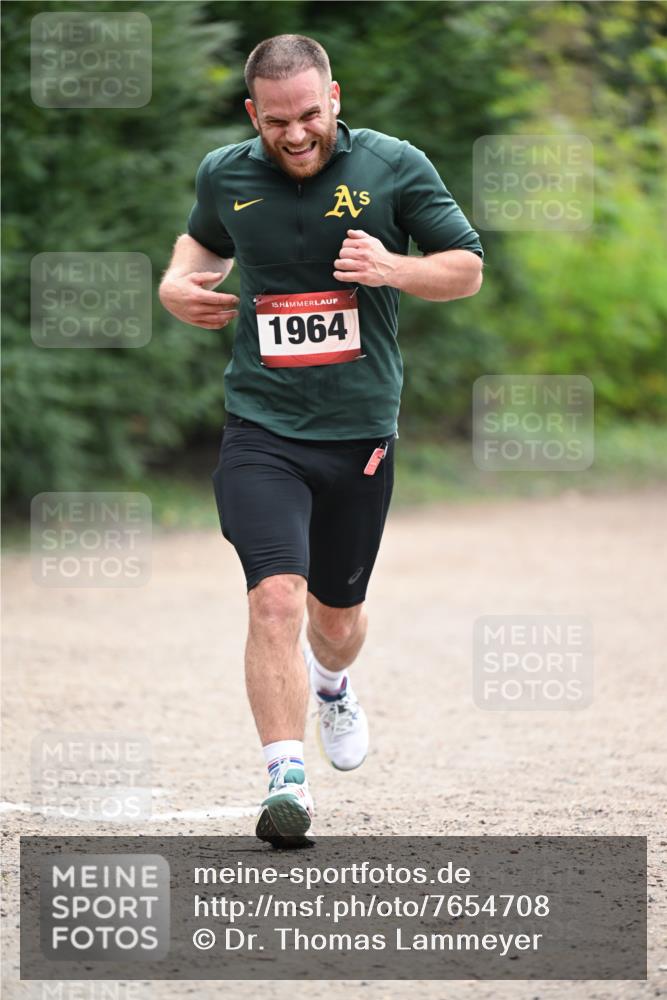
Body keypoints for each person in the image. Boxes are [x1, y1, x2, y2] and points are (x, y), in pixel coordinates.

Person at [159, 34, 483, 847]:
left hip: (358, 431)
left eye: (309, 115)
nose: (295, 134)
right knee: (274, 596)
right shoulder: (224, 173)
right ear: (251, 115)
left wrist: (393, 268)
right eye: (277, 122)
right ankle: (285, 782)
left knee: (335, 618)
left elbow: (466, 267)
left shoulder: (392, 166)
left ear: (334, 98)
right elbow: (198, 245)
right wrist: (173, 284)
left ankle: (333, 684)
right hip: (261, 426)